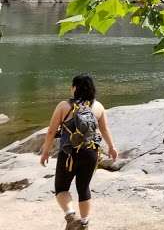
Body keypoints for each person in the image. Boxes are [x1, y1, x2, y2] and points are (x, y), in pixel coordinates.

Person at [40, 75, 118, 230]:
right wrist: (112, 147)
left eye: (72, 86)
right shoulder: (98, 107)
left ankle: (71, 217)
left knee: (61, 188)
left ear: (75, 88)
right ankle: (84, 223)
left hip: (69, 153)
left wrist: (45, 151)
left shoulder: (63, 106)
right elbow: (104, 129)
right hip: (91, 153)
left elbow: (51, 131)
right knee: (83, 188)